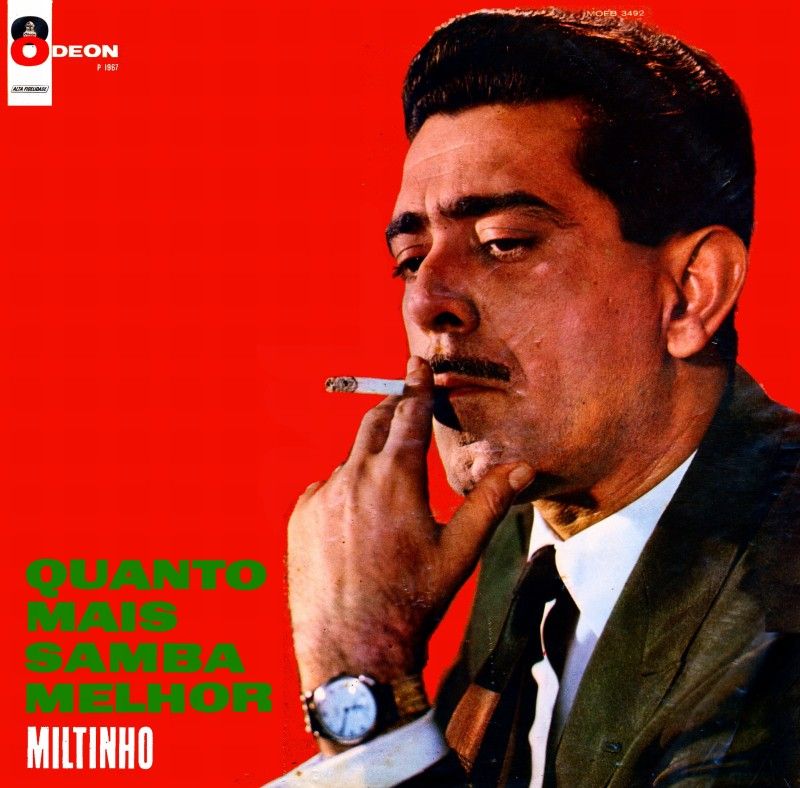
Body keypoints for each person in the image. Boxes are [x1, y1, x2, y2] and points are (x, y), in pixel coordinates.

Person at [274, 8, 800, 786]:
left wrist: (363, 680)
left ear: (690, 293)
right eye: (410, 258)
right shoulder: (531, 529)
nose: (426, 301)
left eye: (504, 244)